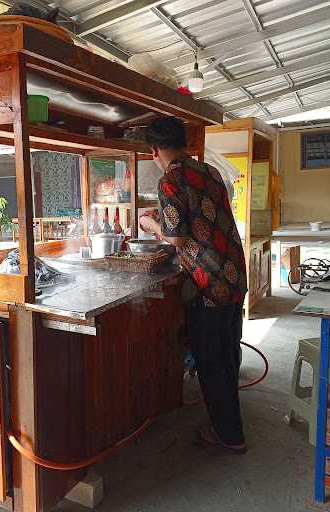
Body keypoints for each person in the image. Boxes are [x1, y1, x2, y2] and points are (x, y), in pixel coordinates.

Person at [139, 116, 248, 453]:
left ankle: (229, 436)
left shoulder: (170, 181)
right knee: (228, 353)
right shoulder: (209, 172)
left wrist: (149, 223)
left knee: (211, 361)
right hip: (233, 273)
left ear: (155, 149)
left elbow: (175, 238)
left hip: (208, 281)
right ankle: (230, 424)